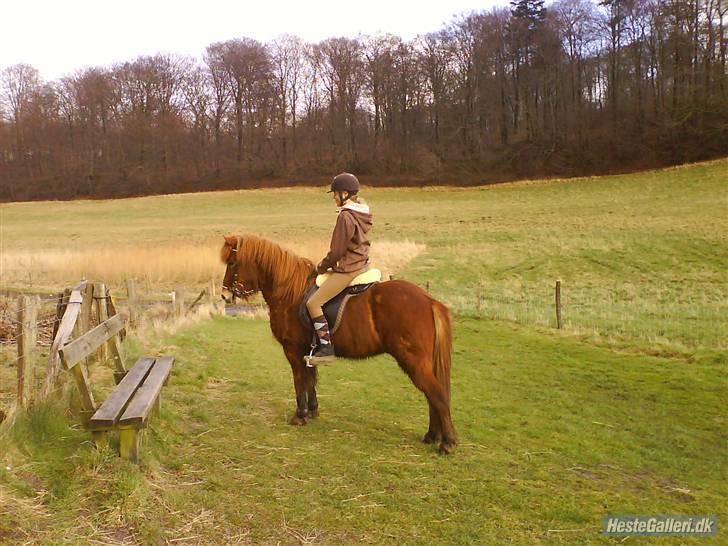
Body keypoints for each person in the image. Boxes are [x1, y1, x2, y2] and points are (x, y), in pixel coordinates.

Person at [305, 172, 373, 365]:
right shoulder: (362, 212)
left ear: (345, 194)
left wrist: (322, 266)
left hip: (348, 269)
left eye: (335, 194)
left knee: (313, 303)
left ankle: (326, 349)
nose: (334, 197)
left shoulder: (346, 216)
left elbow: (337, 251)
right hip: (362, 264)